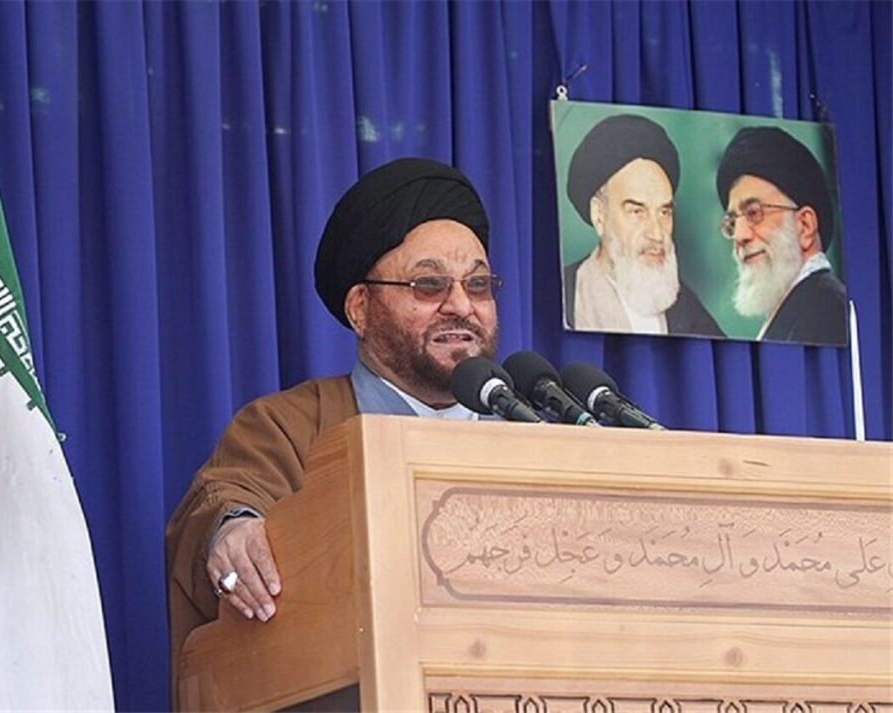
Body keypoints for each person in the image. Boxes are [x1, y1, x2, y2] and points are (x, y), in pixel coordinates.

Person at [165, 157, 500, 702]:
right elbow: (226, 500)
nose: (461, 306)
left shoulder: (535, 437)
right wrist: (233, 534)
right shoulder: (288, 426)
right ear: (361, 308)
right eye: (429, 284)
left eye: (478, 285)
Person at [563, 114, 722, 337]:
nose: (656, 234)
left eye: (664, 212)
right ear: (599, 215)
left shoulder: (690, 311)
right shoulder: (564, 295)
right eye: (637, 212)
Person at [716, 126, 847, 345]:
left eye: (754, 213)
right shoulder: (801, 308)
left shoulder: (827, 311)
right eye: (732, 222)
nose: (739, 235)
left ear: (805, 226)